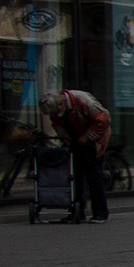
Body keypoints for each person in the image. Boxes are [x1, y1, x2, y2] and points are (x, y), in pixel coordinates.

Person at [40, 87, 112, 223]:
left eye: (56, 111)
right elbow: (57, 124)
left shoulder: (82, 100)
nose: (56, 114)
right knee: (74, 176)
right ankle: (77, 211)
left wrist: (87, 136)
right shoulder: (57, 109)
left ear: (61, 104)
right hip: (76, 138)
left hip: (95, 140)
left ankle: (100, 212)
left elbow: (104, 119)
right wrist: (65, 137)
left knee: (93, 175)